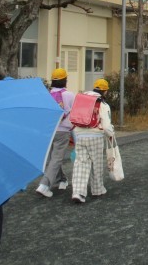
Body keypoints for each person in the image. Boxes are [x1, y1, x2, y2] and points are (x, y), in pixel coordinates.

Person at [71, 79, 115, 203]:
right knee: (96, 164)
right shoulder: (103, 104)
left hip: (79, 135)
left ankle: (78, 192)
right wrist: (111, 134)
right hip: (95, 136)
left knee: (80, 164)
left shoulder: (81, 100)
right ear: (105, 91)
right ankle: (97, 189)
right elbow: (106, 126)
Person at [36, 68, 75, 198]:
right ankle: (44, 185)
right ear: (65, 80)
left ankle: (62, 179)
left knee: (52, 158)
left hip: (50, 131)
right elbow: (74, 112)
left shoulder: (47, 95)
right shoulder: (69, 95)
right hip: (63, 131)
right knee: (56, 158)